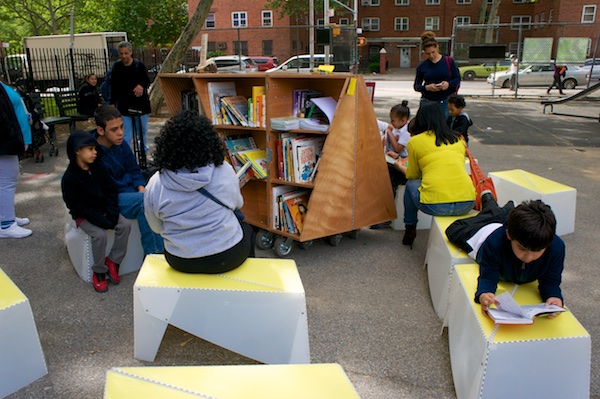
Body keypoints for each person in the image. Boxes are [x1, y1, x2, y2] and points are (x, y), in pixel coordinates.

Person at [144, 111, 255, 273]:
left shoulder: (156, 183)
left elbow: (156, 227)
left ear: (167, 145)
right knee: (248, 230)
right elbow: (237, 204)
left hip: (180, 260)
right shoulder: (223, 170)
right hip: (227, 256)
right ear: (208, 142)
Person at [445, 193, 564, 317]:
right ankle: (495, 208)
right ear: (509, 235)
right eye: (522, 249)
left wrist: (554, 297)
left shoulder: (556, 248)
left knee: (495, 214)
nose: (528, 257)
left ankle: (500, 209)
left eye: (536, 251)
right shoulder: (494, 243)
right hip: (483, 233)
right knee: (453, 230)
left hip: (510, 229)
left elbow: (551, 281)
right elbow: (488, 276)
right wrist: (485, 293)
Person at [394, 102, 476, 247]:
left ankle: (410, 229)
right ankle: (410, 229)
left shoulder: (416, 141)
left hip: (436, 205)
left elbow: (412, 175)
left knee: (411, 185)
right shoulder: (458, 139)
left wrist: (399, 166)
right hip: (467, 203)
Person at [61, 131, 132, 292]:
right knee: (99, 235)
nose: (95, 152)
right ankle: (99, 271)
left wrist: (112, 214)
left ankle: (113, 260)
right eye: (90, 149)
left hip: (104, 209)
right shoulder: (70, 178)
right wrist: (99, 220)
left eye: (95, 149)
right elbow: (76, 206)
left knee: (125, 225)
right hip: (85, 215)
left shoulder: (99, 168)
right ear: (78, 151)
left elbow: (111, 190)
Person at [93, 104, 164, 255]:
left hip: (130, 191)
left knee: (159, 191)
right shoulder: (93, 153)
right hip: (112, 198)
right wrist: (141, 195)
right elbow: (105, 189)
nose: (120, 133)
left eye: (121, 127)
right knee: (144, 201)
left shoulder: (121, 144)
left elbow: (134, 170)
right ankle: (155, 254)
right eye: (114, 129)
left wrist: (140, 186)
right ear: (100, 130)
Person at [372, 101, 412, 229]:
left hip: (403, 165)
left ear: (404, 120)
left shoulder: (406, 132)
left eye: (394, 121)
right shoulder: (398, 128)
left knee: (388, 180)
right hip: (396, 161)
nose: (392, 123)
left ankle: (386, 215)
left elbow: (398, 148)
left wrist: (389, 133)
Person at [0, 81, 33, 239]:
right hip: (5, 142)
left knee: (6, 182)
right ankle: (6, 223)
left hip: (8, 140)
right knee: (7, 181)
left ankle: (7, 217)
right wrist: (12, 135)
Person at [110, 41, 151, 153]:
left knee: (142, 133)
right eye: (121, 53)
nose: (124, 56)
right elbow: (113, 86)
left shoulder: (139, 66)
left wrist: (141, 86)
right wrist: (112, 102)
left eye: (126, 53)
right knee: (125, 133)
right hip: (124, 106)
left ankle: (143, 153)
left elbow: (147, 80)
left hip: (140, 105)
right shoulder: (117, 67)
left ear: (131, 52)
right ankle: (126, 155)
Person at [413, 31, 461, 120]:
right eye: (428, 53)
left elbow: (457, 79)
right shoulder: (422, 66)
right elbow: (416, 86)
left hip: (445, 101)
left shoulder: (448, 61)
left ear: (437, 48)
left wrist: (448, 84)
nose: (431, 55)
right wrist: (427, 87)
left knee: (444, 127)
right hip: (427, 101)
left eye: (433, 52)